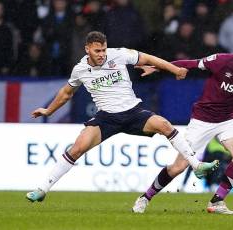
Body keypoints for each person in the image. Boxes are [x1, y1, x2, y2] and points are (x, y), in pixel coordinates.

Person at [25, 31, 218, 203]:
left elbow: (148, 57)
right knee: (77, 148)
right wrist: (49, 111)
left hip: (133, 112)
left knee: (165, 125)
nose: (101, 55)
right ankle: (42, 189)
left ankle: (196, 165)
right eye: (97, 51)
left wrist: (174, 69)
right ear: (87, 50)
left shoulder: (119, 54)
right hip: (106, 118)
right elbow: (67, 93)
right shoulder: (80, 69)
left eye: (103, 50)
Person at [132, 32, 233, 214]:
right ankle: (145, 198)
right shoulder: (222, 61)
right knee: (178, 167)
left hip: (228, 120)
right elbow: (192, 64)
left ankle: (217, 201)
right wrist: (158, 68)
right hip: (202, 120)